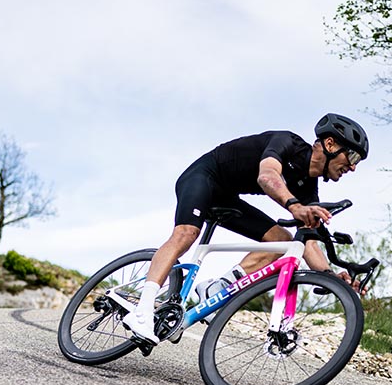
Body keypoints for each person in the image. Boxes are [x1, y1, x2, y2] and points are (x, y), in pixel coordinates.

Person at [123, 112, 370, 345]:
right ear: (330, 144)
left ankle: (218, 288)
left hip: (226, 197)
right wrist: (294, 206)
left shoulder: (308, 187)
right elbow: (267, 176)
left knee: (282, 240)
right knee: (186, 233)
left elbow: (308, 243)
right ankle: (143, 311)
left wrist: (331, 278)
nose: (353, 167)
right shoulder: (288, 143)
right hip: (204, 176)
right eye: (353, 157)